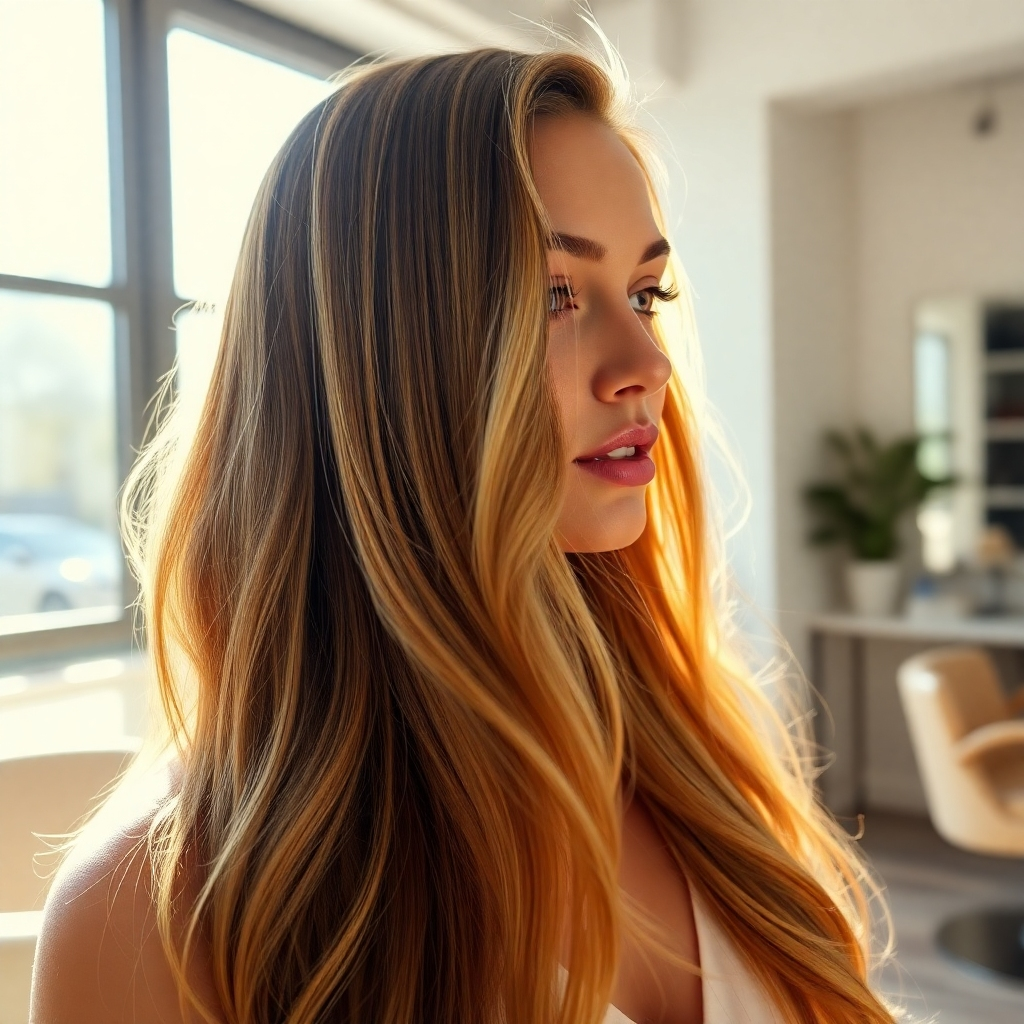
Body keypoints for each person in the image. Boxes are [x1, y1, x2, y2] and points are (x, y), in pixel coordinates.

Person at [31, 46, 895, 1024]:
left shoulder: (690, 751)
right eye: (551, 294)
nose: (644, 362)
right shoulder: (155, 911)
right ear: (373, 360)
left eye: (644, 294)